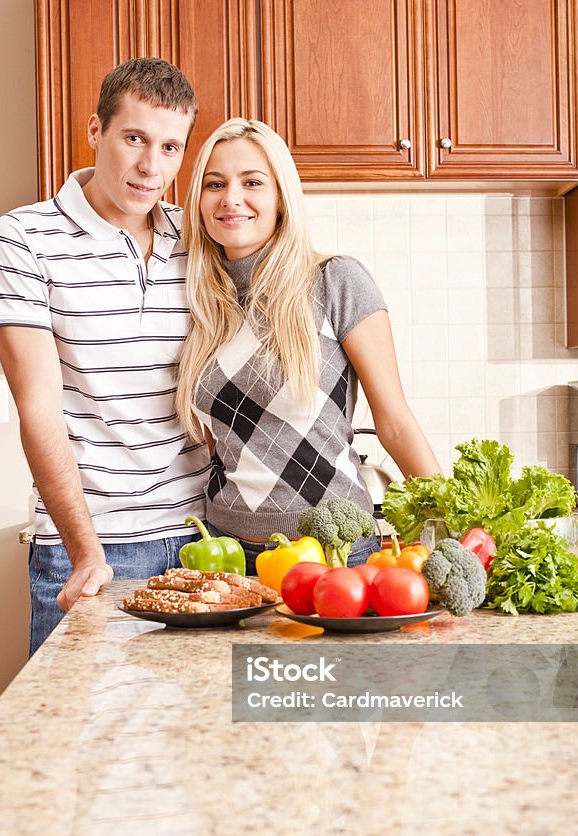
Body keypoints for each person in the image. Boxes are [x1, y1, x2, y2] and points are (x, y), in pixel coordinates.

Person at [0, 58, 210, 655]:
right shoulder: (23, 237)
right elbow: (36, 407)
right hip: (89, 547)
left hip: (199, 541)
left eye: (170, 147)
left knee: (196, 739)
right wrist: (86, 552)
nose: (151, 166)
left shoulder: (195, 239)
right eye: (134, 138)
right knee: (74, 737)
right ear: (96, 130)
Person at [176, 118, 441, 574]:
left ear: (281, 198)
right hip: (225, 555)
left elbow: (394, 422)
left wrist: (455, 525)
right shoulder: (199, 299)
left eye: (252, 182)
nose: (230, 198)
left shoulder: (335, 281)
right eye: (214, 183)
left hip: (333, 553)